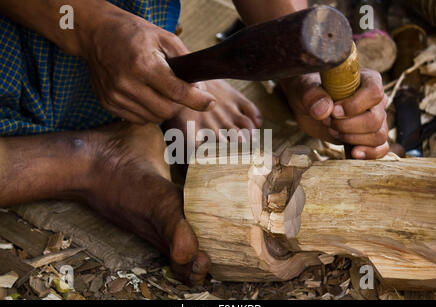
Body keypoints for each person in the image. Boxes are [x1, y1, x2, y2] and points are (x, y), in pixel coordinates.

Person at [0, 0, 388, 285]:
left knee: (146, 54)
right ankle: (88, 162)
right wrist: (91, 27)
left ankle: (165, 74)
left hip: (123, 30)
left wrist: (297, 75)